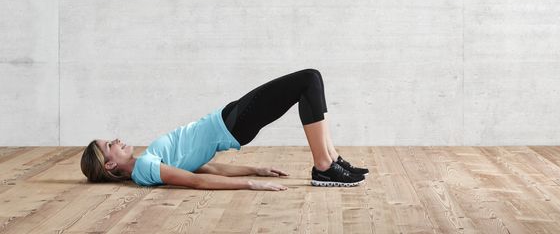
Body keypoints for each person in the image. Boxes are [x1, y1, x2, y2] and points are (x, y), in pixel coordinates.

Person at [81, 69, 369, 190]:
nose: (116, 140)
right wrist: (249, 185)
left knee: (309, 83)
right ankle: (324, 165)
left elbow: (205, 170)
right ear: (109, 163)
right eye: (109, 145)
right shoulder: (145, 167)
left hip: (228, 120)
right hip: (230, 124)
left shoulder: (148, 164)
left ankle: (330, 160)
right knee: (309, 79)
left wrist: (255, 169)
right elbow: (196, 183)